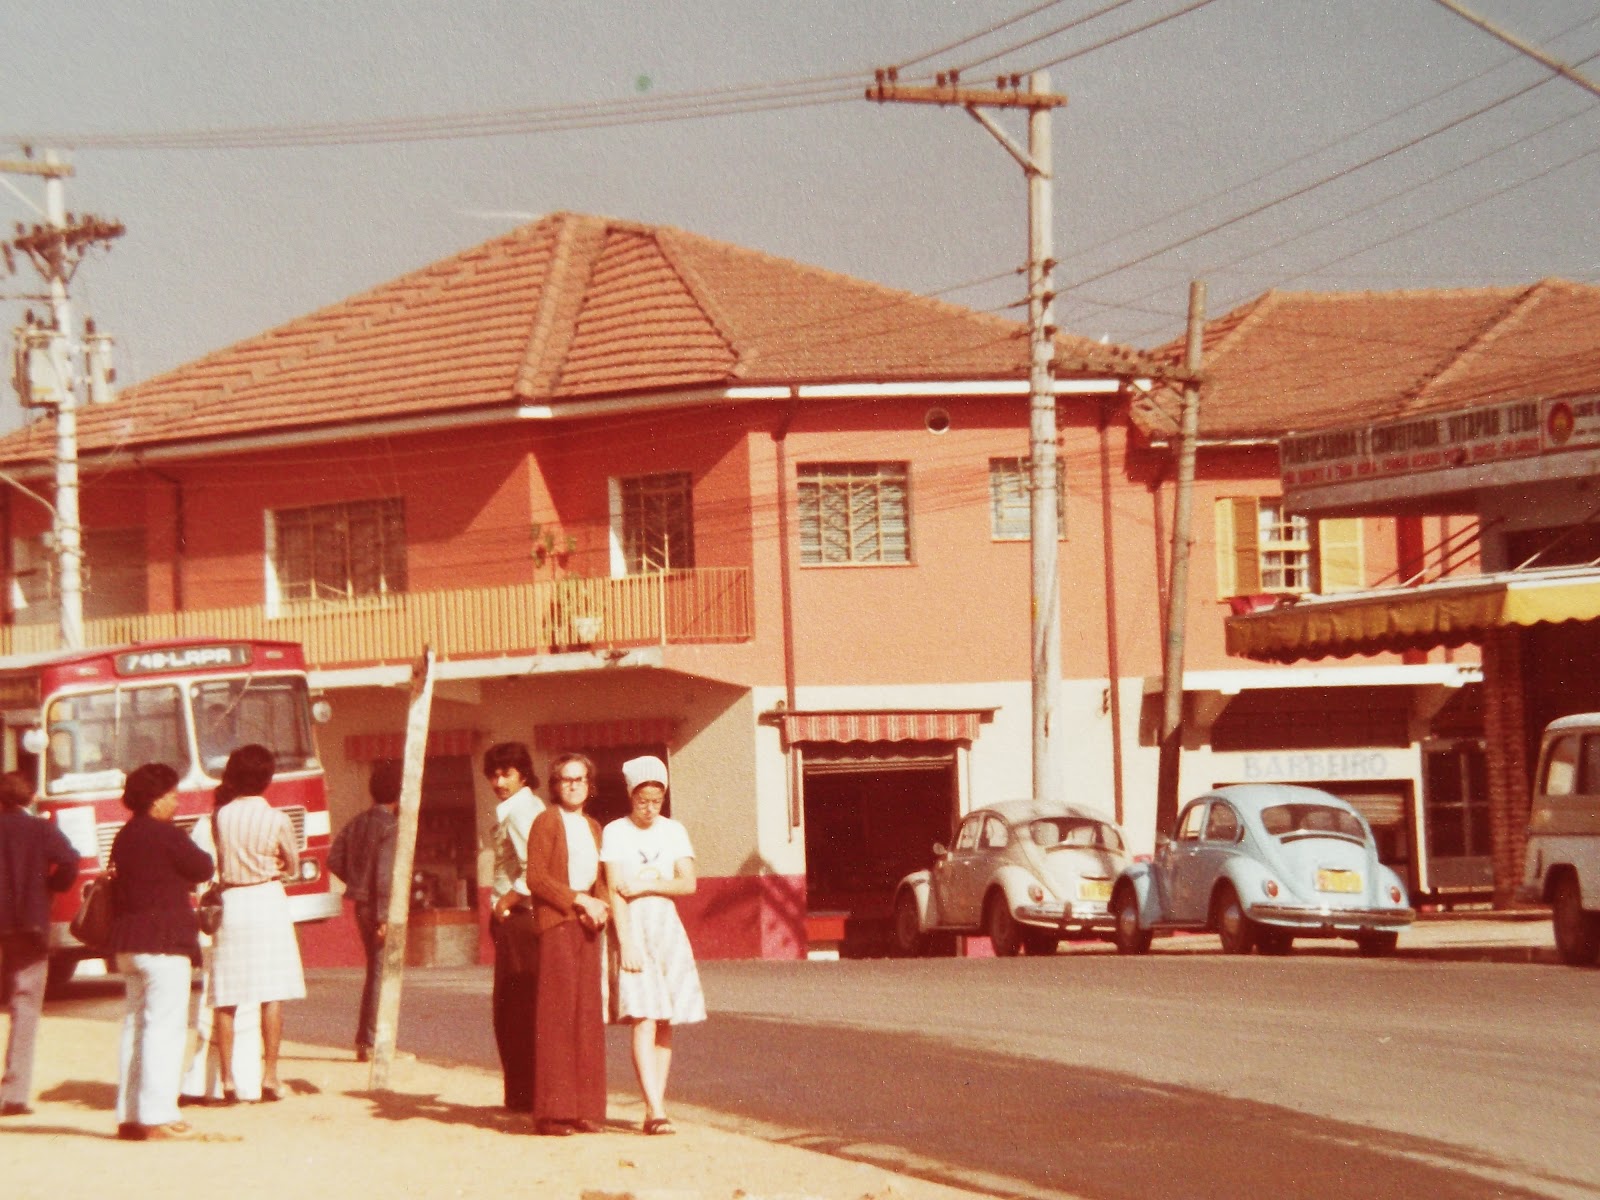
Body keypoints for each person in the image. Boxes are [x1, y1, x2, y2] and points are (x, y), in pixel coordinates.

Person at [106, 763, 215, 1140]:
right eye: (171, 793)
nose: (176, 800)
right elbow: (203, 867)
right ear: (155, 798)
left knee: (135, 1028)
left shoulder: (124, 836)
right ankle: (157, 1116)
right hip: (164, 942)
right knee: (164, 1029)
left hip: (128, 942)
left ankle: (131, 1115)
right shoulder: (166, 835)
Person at [601, 756, 705, 1136]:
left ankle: (654, 1107)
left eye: (656, 801)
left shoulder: (674, 831)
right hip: (632, 927)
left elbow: (688, 883)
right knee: (643, 1016)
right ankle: (656, 1108)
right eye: (642, 800)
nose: (649, 808)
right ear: (631, 794)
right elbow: (614, 888)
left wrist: (647, 884)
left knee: (664, 1019)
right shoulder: (616, 831)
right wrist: (626, 940)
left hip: (666, 926)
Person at [209, 744, 305, 1102]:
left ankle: (228, 1080)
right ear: (267, 778)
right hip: (267, 900)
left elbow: (216, 859)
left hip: (232, 902)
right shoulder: (277, 819)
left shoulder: (219, 817)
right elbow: (293, 865)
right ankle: (270, 1076)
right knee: (271, 994)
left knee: (226, 996)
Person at [525, 751, 610, 1136]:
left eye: (580, 779)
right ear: (555, 785)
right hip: (559, 923)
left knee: (587, 1016)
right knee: (558, 1018)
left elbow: (601, 877)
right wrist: (579, 900)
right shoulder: (546, 821)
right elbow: (537, 879)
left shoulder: (594, 826)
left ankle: (581, 1108)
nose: (573, 785)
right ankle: (551, 1113)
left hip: (588, 926)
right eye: (565, 779)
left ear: (590, 786)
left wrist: (601, 906)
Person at [0, 772, 79, 1117]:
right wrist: (52, 886)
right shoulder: (41, 829)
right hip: (30, 924)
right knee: (25, 1003)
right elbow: (70, 860)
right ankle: (13, 1094)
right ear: (31, 797)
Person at [327, 759, 401, 1062]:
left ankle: (366, 1040)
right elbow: (385, 876)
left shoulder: (357, 822)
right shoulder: (391, 826)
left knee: (375, 972)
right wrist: (385, 915)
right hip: (380, 908)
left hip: (360, 906)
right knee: (381, 974)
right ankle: (371, 1041)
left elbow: (334, 859)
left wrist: (356, 883)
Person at [484, 742, 543, 1111]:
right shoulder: (524, 807)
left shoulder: (521, 812)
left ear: (522, 773)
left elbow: (531, 870)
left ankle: (522, 1095)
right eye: (493, 774)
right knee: (517, 1007)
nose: (498, 781)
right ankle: (522, 1093)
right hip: (521, 919)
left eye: (506, 773)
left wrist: (505, 903)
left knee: (514, 1010)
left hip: (520, 919)